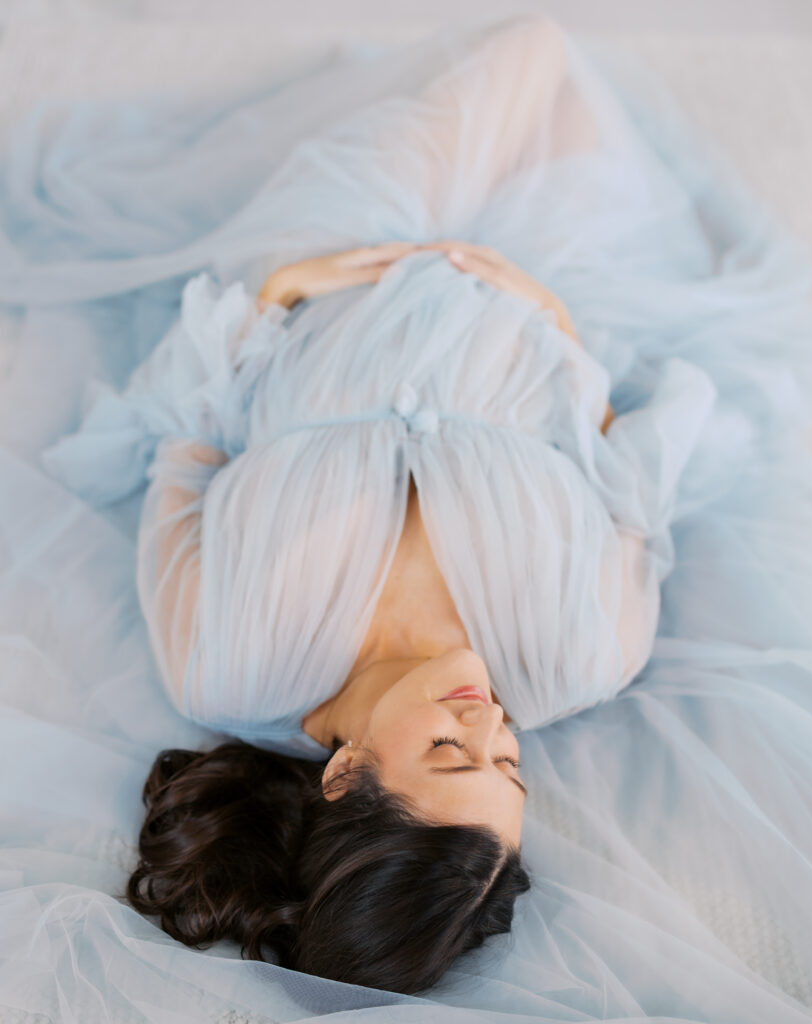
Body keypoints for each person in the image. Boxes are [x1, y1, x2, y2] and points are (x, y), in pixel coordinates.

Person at [40, 12, 719, 995]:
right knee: (563, 94)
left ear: (344, 772)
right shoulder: (588, 654)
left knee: (532, 53)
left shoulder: (224, 660)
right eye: (510, 763)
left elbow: (185, 451)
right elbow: (635, 480)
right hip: (533, 292)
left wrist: (279, 293)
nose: (487, 718)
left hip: (341, 267)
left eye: (450, 750)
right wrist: (560, 325)